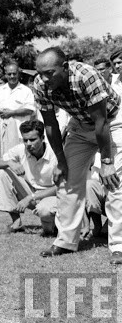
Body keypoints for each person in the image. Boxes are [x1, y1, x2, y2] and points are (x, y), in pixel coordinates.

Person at [33, 47, 122, 264]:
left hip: (111, 123)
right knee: (67, 179)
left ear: (64, 67)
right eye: (41, 73)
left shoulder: (86, 75)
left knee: (114, 182)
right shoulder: (40, 84)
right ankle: (65, 241)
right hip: (80, 126)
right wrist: (61, 161)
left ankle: (118, 245)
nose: (44, 78)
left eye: (50, 73)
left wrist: (107, 162)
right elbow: (51, 124)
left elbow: (101, 122)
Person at [0, 120, 59, 235]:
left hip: (50, 195)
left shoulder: (55, 154)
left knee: (45, 214)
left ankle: (54, 224)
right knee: (1, 173)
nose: (28, 143)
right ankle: (16, 222)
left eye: (32, 140)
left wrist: (30, 198)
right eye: (25, 140)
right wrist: (9, 163)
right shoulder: (20, 149)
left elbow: (60, 187)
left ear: (42, 137)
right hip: (30, 191)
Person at [0, 62, 36, 161]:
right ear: (5, 75)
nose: (12, 76)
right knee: (2, 159)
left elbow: (30, 110)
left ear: (19, 74)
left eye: (14, 73)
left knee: (21, 160)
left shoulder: (26, 91)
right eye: (9, 74)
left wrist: (11, 113)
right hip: (1, 132)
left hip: (19, 133)